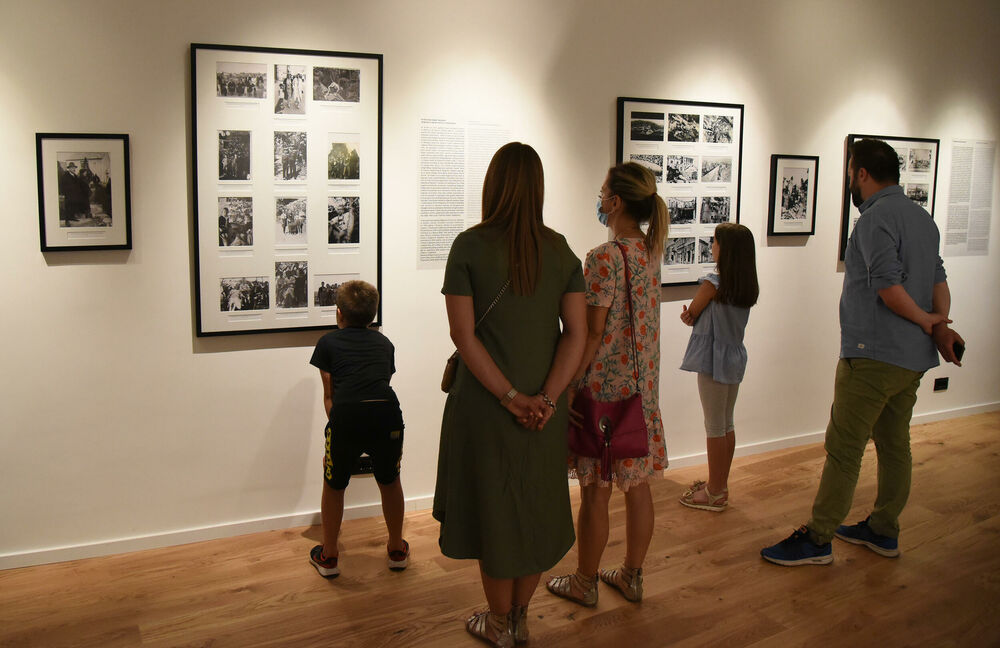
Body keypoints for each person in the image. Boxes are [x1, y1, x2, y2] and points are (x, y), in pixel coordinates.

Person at [760, 138, 965, 566]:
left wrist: (929, 321)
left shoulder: (873, 220)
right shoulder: (921, 218)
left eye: (852, 172)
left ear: (863, 174)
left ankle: (817, 539)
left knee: (844, 447)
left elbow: (890, 290)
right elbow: (938, 280)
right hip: (911, 360)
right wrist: (938, 323)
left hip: (872, 354)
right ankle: (883, 528)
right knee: (894, 443)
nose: (851, 181)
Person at [434, 142, 587, 647]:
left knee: (496, 515)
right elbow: (577, 333)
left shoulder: (469, 247)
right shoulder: (561, 249)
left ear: (492, 184)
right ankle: (520, 618)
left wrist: (509, 398)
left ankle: (498, 625)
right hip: (545, 411)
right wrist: (546, 397)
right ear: (538, 187)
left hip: (486, 406)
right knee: (534, 510)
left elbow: (463, 335)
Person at [547, 161, 668, 609]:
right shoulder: (650, 252)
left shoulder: (603, 257)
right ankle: (633, 576)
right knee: (638, 487)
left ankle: (585, 581)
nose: (599, 200)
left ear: (615, 202)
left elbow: (593, 333)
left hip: (602, 394)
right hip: (641, 392)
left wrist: (571, 385)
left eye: (602, 193)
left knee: (596, 489)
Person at [308, 280, 409, 578]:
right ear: (372, 314)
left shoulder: (327, 343)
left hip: (347, 416)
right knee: (390, 479)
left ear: (339, 313)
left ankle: (329, 556)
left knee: (334, 482)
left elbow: (330, 395)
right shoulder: (384, 343)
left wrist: (337, 429)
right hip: (387, 414)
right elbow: (381, 382)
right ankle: (396, 550)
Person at [677, 223, 758, 512]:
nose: (711, 246)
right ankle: (720, 485)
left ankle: (713, 492)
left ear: (725, 249)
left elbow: (692, 315)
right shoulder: (745, 285)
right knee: (727, 423)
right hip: (734, 358)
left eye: (714, 241)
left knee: (713, 427)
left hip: (712, 360)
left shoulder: (713, 283)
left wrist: (688, 314)